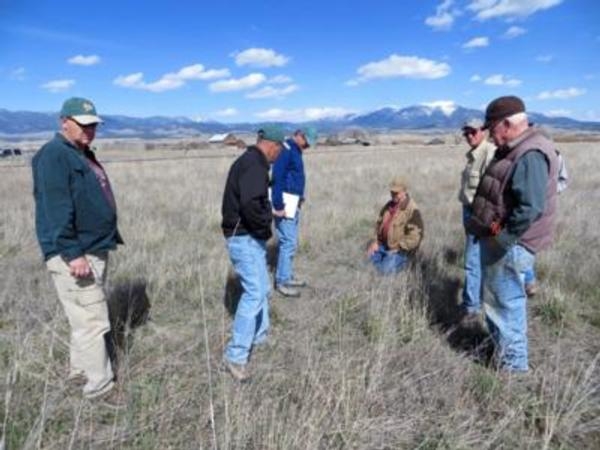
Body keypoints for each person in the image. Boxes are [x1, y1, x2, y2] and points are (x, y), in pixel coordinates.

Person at [32, 97, 124, 403]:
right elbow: (56, 208)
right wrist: (73, 253)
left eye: (93, 125)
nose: (89, 131)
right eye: (83, 125)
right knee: (94, 320)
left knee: (81, 317)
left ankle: (79, 371)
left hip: (91, 248)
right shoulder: (55, 155)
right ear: (64, 122)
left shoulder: (78, 153)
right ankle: (99, 387)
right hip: (77, 253)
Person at [468, 96, 558, 373]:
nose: (489, 134)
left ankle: (513, 369)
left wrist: (503, 238)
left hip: (512, 244)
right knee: (498, 301)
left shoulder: (529, 153)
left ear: (507, 124)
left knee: (505, 304)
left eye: (492, 127)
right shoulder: (518, 148)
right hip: (506, 240)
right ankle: (504, 354)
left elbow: (530, 207)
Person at [221, 125, 285, 382]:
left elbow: (255, 202)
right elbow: (251, 205)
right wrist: (264, 227)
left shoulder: (252, 162)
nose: (278, 156)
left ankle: (260, 335)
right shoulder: (254, 166)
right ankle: (235, 357)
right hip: (244, 237)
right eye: (279, 151)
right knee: (255, 292)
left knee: (262, 289)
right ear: (273, 145)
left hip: (247, 236)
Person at [271, 127, 317, 297]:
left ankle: (287, 275)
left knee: (291, 242)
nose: (308, 146)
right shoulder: (286, 150)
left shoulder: (296, 150)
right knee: (288, 242)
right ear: (299, 135)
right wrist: (278, 205)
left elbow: (294, 177)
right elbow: (277, 177)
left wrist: (300, 197)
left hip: (293, 201)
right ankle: (282, 281)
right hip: (285, 203)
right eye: (307, 142)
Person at [458, 118, 496, 322]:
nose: (469, 136)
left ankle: (471, 307)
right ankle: (477, 299)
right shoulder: (473, 155)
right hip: (470, 211)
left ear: (484, 131)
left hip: (478, 214)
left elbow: (490, 191)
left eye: (473, 131)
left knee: (472, 260)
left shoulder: (488, 153)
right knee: (478, 259)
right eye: (466, 133)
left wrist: (480, 217)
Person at [366, 178, 424, 275]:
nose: (393, 194)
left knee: (384, 270)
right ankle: (383, 259)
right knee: (367, 260)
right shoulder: (388, 206)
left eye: (396, 192)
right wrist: (375, 242)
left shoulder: (412, 210)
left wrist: (399, 247)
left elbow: (416, 237)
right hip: (383, 246)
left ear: (404, 191)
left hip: (400, 251)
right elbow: (378, 224)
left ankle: (406, 263)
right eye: (392, 192)